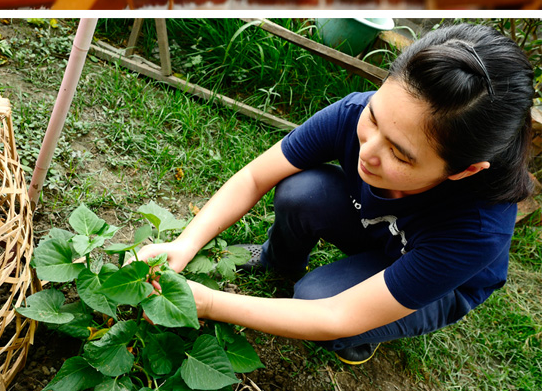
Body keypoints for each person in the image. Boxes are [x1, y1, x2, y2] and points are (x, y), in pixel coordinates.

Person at [135, 23, 535, 364]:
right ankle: (278, 260)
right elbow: (255, 177)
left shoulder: (478, 229)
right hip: (380, 226)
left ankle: (365, 334)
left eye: (399, 153)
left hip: (443, 283)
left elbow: (335, 314)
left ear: (463, 170)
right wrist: (186, 243)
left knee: (317, 306)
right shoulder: (355, 114)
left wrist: (205, 303)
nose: (369, 150)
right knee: (301, 190)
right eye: (374, 117)